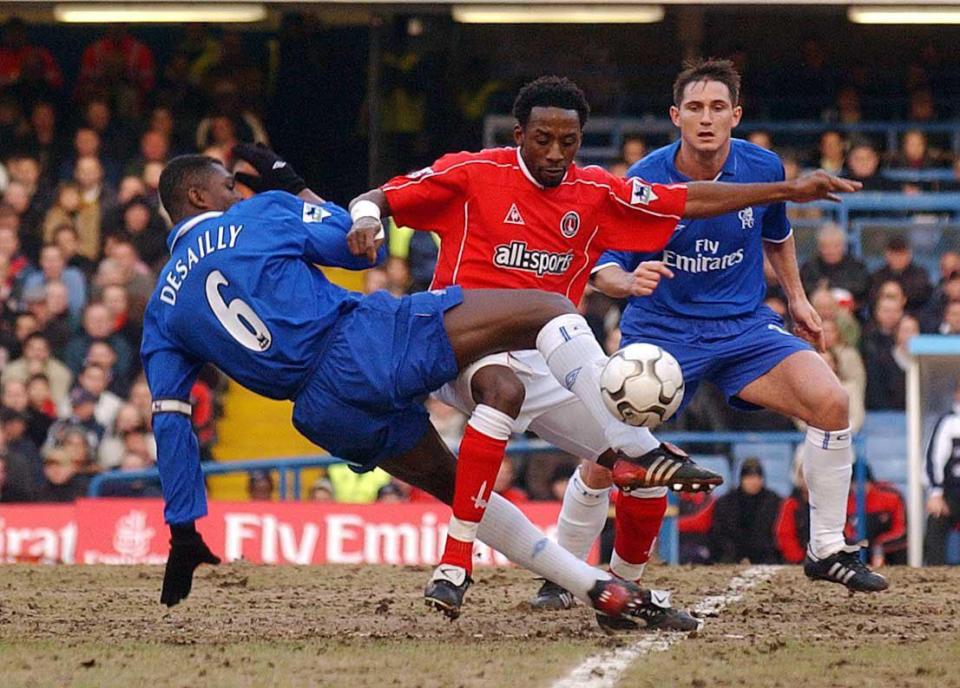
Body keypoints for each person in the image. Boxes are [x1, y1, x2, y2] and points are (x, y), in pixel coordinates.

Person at [347, 74, 858, 622]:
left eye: (568, 142)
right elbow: (381, 196)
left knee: (645, 468)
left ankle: (620, 595)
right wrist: (365, 219)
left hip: (550, 361)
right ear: (519, 133)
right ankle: (455, 562)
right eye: (542, 139)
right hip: (463, 345)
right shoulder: (474, 172)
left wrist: (785, 191)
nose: (554, 153)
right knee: (509, 382)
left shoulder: (595, 190)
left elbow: (686, 201)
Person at [143, 146, 676, 625]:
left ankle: (595, 588)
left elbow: (170, 418)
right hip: (365, 342)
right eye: (227, 187)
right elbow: (360, 247)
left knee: (458, 488)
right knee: (549, 307)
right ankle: (622, 447)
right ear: (197, 194)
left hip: (321, 411)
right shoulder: (258, 215)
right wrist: (297, 188)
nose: (237, 195)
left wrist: (184, 526)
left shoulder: (161, 307)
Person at [585, 59, 886, 594]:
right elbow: (601, 263)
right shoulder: (645, 179)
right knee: (606, 453)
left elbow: (777, 234)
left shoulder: (762, 167)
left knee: (831, 402)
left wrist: (796, 298)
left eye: (718, 108)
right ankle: (563, 571)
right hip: (662, 334)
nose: (706, 118)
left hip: (743, 327)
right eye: (695, 108)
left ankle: (828, 548)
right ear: (676, 116)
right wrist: (627, 280)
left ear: (736, 115)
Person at [708, 458, 782, 564]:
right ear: (741, 479)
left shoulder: (774, 502)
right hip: (731, 556)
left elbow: (774, 535)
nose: (754, 482)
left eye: (758, 477)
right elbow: (720, 535)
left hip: (765, 557)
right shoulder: (726, 503)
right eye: (749, 477)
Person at [924, 378, 960, 565]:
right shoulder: (948, 422)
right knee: (936, 519)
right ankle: (933, 572)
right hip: (952, 493)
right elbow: (933, 459)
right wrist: (936, 493)